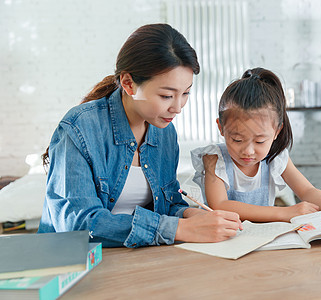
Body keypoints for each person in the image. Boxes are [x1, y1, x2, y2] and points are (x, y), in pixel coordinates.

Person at [38, 24, 242, 248]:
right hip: (76, 262)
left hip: (142, 258)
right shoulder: (80, 128)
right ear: (128, 83)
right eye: (166, 96)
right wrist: (179, 228)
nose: (178, 107)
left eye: (185, 93)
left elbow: (167, 204)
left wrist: (189, 215)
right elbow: (79, 225)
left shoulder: (164, 132)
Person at [191, 67, 321, 222]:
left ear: (277, 131)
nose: (248, 151)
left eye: (260, 141)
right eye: (237, 140)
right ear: (221, 128)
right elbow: (220, 205)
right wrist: (285, 212)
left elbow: (306, 191)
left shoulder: (276, 157)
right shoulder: (214, 158)